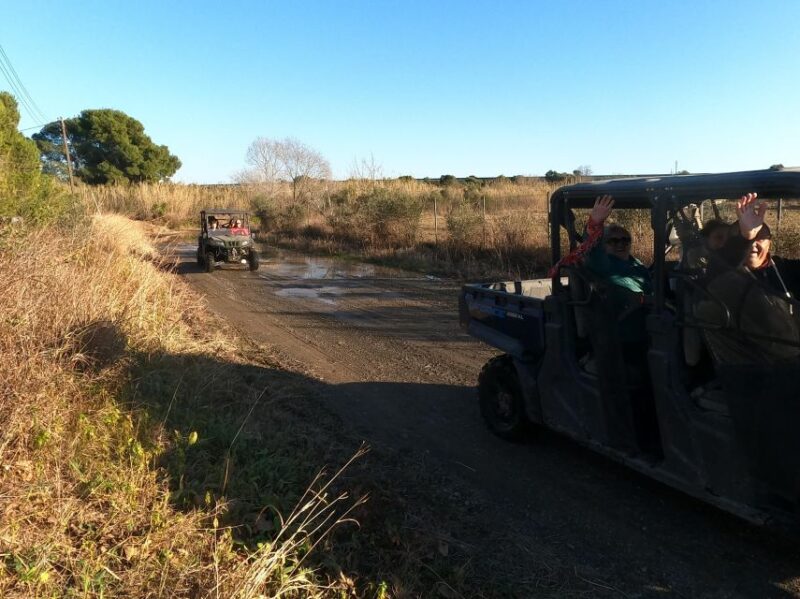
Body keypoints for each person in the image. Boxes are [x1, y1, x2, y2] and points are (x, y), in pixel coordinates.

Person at [697, 193, 800, 364]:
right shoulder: (726, 276)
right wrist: (746, 235)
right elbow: (718, 274)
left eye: (760, 238)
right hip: (753, 366)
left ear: (770, 244)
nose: (753, 244)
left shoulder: (784, 270)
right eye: (749, 239)